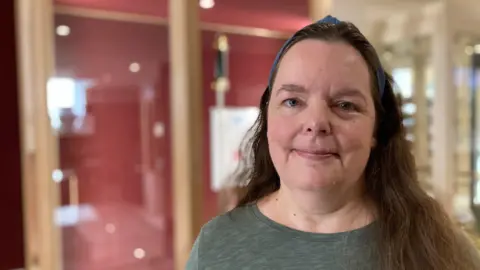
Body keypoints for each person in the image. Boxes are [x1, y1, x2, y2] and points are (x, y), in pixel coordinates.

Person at [186, 15, 480, 270]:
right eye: (292, 101)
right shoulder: (216, 246)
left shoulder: (437, 246)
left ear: (376, 128)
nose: (316, 123)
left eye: (345, 105)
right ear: (267, 120)